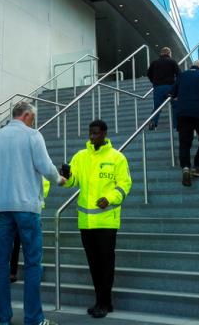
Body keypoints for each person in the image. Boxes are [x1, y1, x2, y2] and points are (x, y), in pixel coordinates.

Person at [0, 100, 64, 325]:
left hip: (1, 207)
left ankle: (4, 318)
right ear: (26, 115)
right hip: (26, 206)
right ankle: (34, 319)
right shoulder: (32, 135)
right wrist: (59, 179)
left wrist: (0, 181)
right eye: (32, 117)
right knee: (33, 262)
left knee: (1, 263)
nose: (33, 121)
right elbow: (45, 167)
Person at [61, 120, 132, 319]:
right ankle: (103, 302)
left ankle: (103, 302)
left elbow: (125, 185)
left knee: (106, 263)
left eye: (97, 133)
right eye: (91, 133)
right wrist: (66, 176)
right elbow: (72, 183)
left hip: (107, 220)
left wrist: (109, 199)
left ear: (105, 134)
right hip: (85, 221)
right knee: (94, 264)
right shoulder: (80, 157)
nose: (93, 137)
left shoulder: (117, 157)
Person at [10, 178, 50, 283]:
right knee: (17, 242)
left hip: (32, 209)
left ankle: (33, 273)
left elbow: (44, 186)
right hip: (20, 208)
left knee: (31, 244)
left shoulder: (37, 168)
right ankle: (13, 272)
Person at [146, 47, 181, 129]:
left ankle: (153, 122)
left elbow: (148, 74)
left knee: (157, 107)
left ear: (161, 53)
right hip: (170, 87)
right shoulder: (172, 61)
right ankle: (176, 126)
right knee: (175, 105)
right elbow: (179, 74)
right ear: (169, 54)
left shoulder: (154, 63)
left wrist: (154, 81)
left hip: (158, 88)